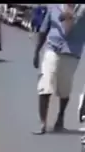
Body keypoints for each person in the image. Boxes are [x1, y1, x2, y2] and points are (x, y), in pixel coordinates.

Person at [34, 4, 85, 134]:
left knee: (64, 89)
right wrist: (36, 51)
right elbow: (44, 29)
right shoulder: (54, 7)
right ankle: (42, 122)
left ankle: (60, 117)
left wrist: (73, 16)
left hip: (72, 53)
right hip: (52, 49)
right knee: (45, 83)